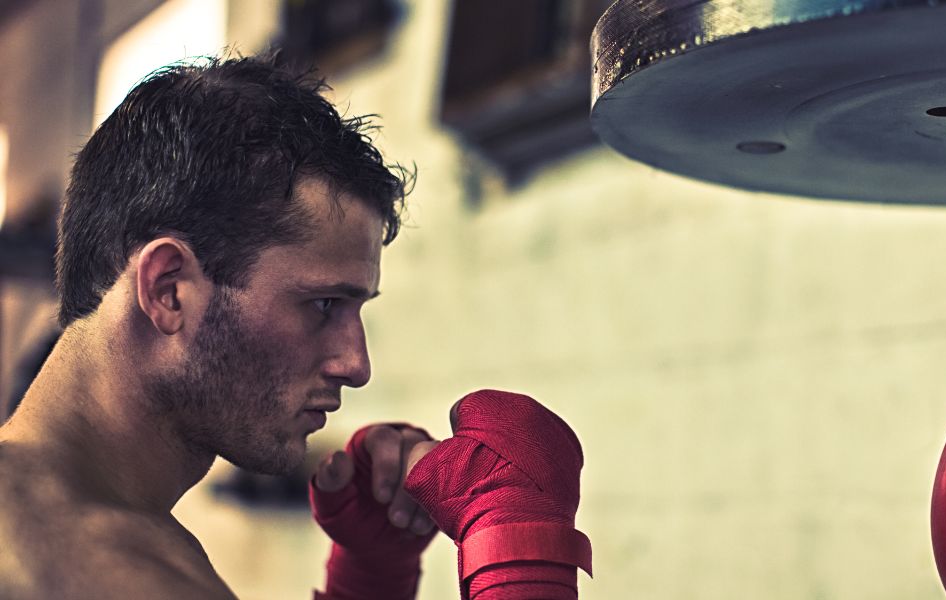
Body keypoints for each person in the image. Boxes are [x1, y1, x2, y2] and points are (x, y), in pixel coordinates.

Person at [0, 55, 589, 599]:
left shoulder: (109, 527)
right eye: (324, 304)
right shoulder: (88, 565)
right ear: (168, 289)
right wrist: (521, 554)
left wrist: (370, 580)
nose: (356, 366)